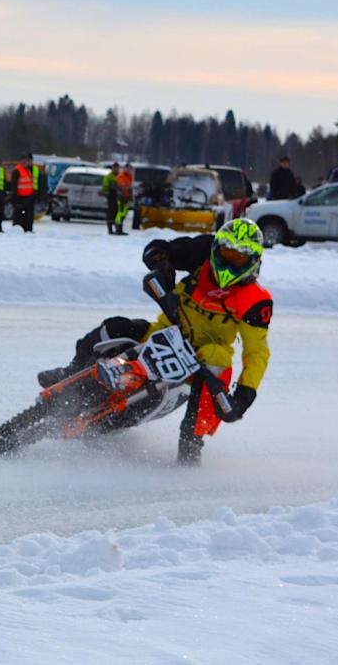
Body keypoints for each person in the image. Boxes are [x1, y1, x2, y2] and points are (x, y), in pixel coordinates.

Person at [37, 218, 272, 466]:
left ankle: (192, 442)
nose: (227, 262)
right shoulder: (202, 250)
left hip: (199, 359)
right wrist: (164, 273)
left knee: (218, 359)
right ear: (215, 249)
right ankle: (74, 370)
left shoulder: (257, 302)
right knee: (114, 326)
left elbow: (256, 353)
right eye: (225, 253)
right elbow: (157, 248)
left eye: (237, 259)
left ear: (253, 261)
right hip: (164, 331)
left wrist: (244, 396)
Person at [10, 153, 41, 233]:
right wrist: (15, 198)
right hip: (20, 197)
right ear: (20, 161)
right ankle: (17, 231)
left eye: (26, 160)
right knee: (19, 216)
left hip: (28, 197)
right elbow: (14, 186)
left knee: (28, 216)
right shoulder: (17, 170)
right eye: (23, 160)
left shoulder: (28, 170)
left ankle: (28, 230)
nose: (25, 162)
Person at [114, 164, 133, 235]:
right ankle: (118, 229)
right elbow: (122, 186)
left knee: (124, 213)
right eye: (128, 169)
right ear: (125, 169)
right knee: (120, 213)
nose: (130, 171)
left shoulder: (129, 176)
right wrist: (128, 188)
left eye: (130, 169)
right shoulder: (122, 176)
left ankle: (120, 229)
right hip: (122, 197)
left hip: (126, 197)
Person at [101, 163, 119, 234]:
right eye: (115, 168)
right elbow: (105, 186)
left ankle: (117, 228)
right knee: (111, 213)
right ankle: (110, 229)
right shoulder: (108, 176)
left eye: (117, 168)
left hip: (119, 197)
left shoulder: (120, 176)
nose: (116, 169)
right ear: (112, 168)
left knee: (117, 213)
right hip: (111, 196)